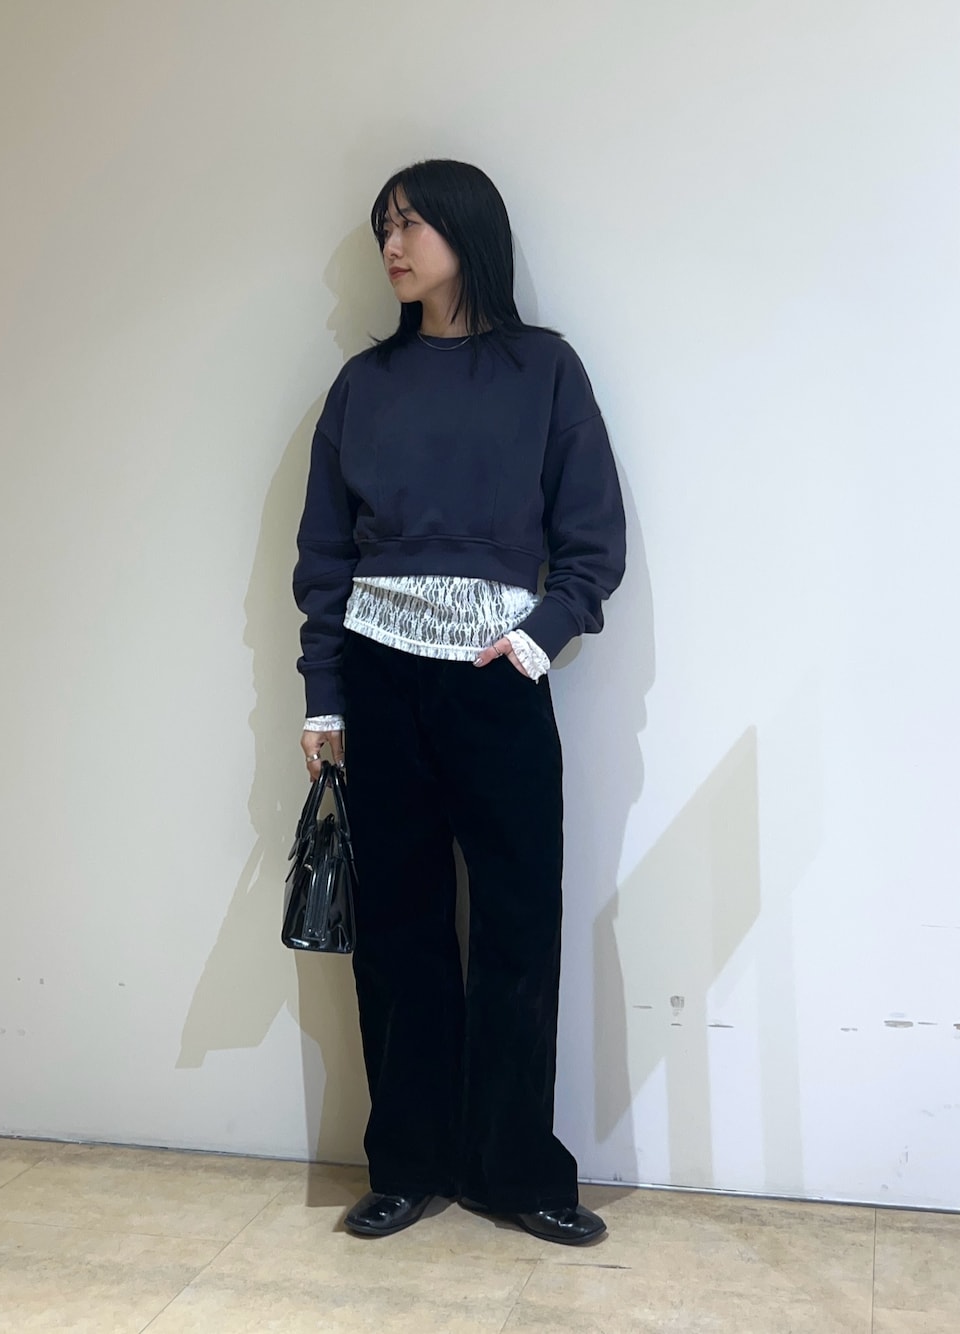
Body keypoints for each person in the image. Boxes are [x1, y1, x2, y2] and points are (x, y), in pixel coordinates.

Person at [292, 158, 626, 1245]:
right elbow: (325, 556)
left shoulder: (545, 370)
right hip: (378, 677)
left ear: (467, 232)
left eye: (411, 226)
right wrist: (324, 697)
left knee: (519, 925)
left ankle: (518, 1171)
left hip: (496, 681)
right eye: (382, 228)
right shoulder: (362, 386)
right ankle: (408, 1162)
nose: (391, 247)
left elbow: (592, 537)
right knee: (399, 932)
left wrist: (539, 638)